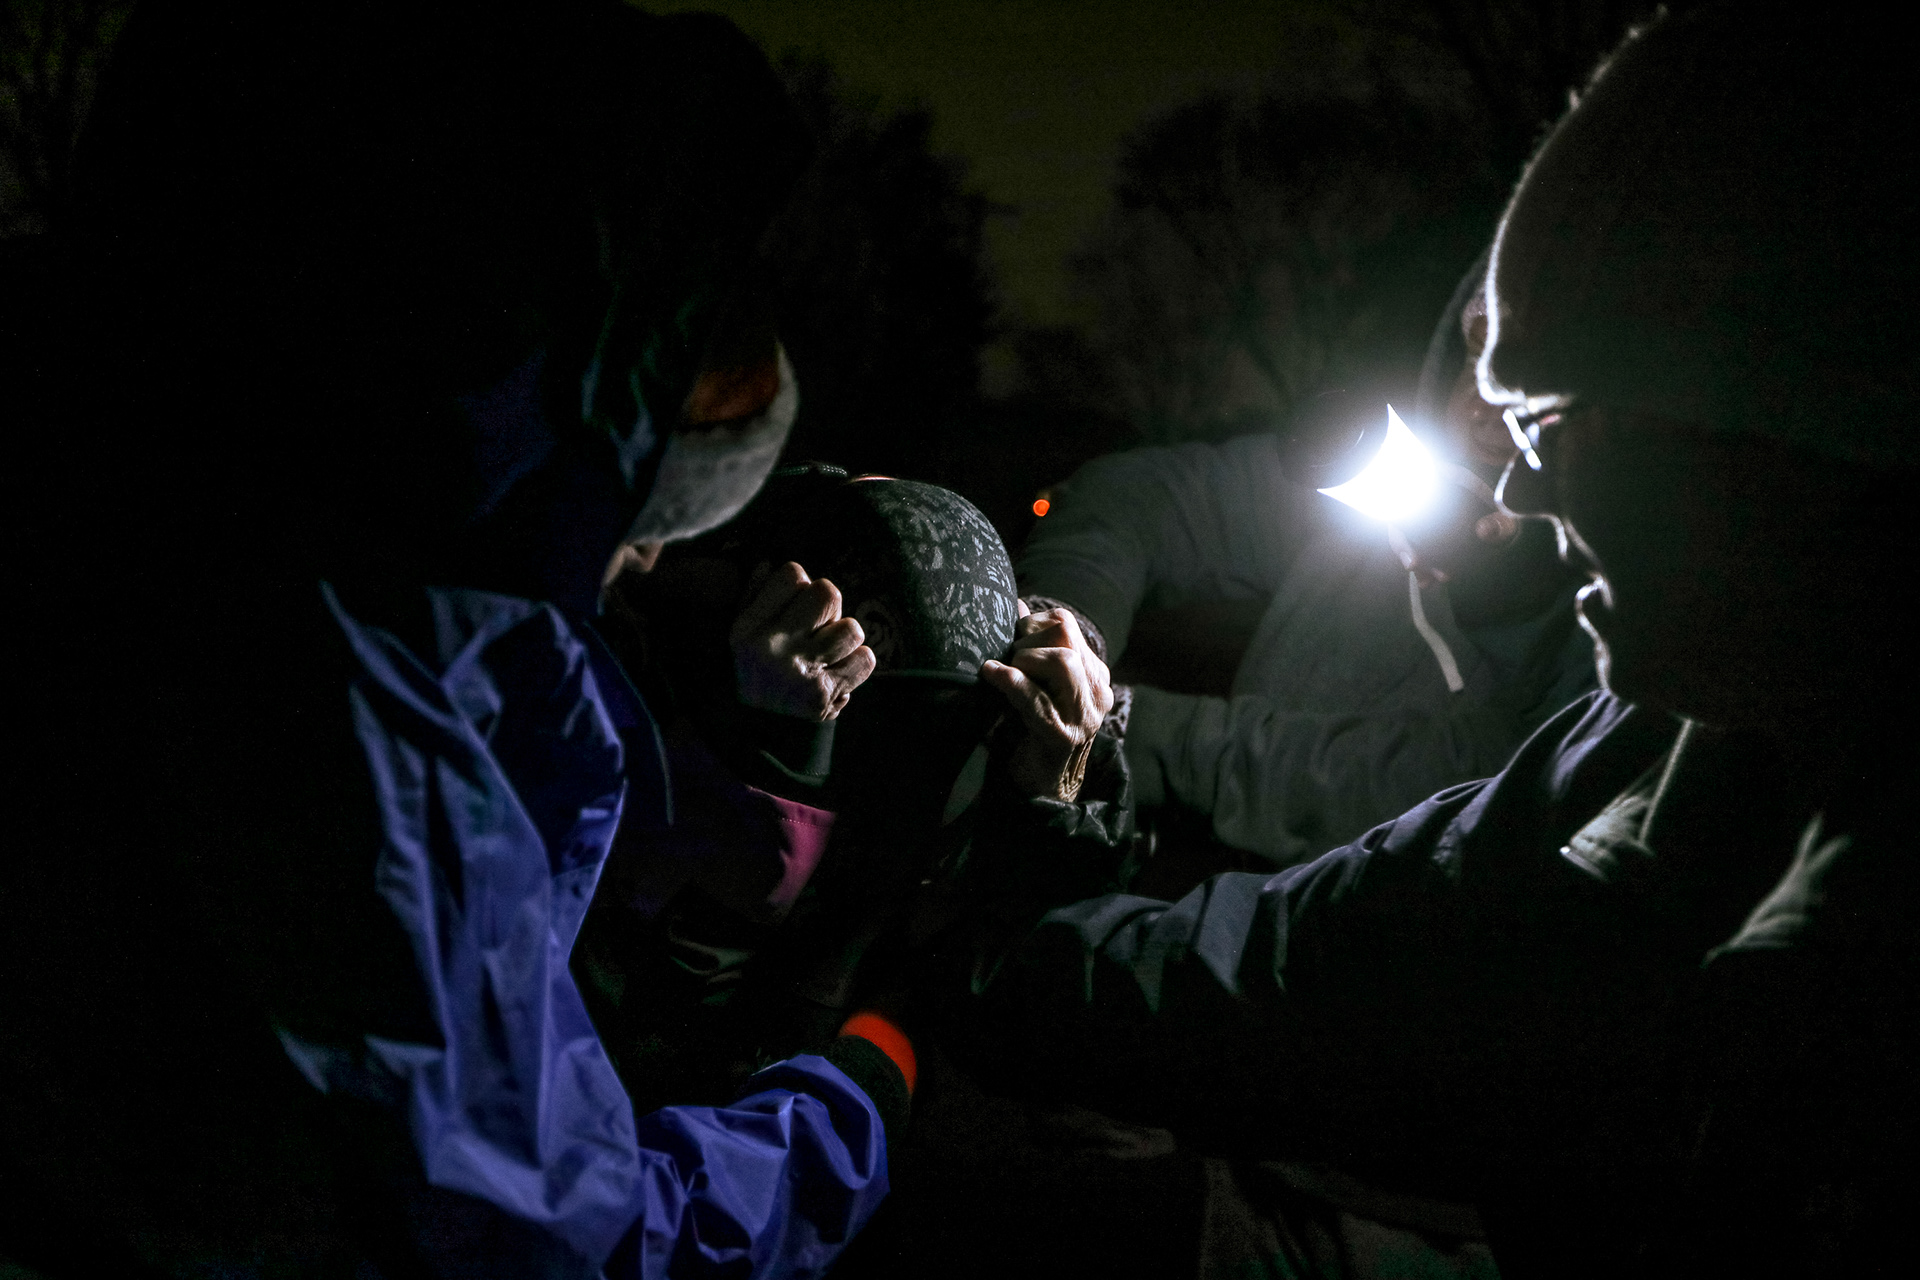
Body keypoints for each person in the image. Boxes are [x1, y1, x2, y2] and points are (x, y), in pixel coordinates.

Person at [0, 4, 1112, 1277]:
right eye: (646, 463)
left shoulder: (144, 475)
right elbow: (572, 1234)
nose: (651, 551)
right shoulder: (339, 719)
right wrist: (869, 1078)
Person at [929, 3, 1918, 1274]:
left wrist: (1114, 734)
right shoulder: (1673, 722)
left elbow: (1398, 902)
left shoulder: (1634, 677)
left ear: (1764, 434)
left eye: (1555, 421)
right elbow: (1354, 931)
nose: (1514, 482)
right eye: (1483, 380)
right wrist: (1064, 636)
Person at [1017, 267, 1594, 873]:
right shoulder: (1390, 481)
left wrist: (1121, 727)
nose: (1481, 409)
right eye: (1475, 357)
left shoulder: (1616, 626)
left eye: (1529, 383)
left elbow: (1453, 782)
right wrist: (1069, 631)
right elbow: (1144, 496)